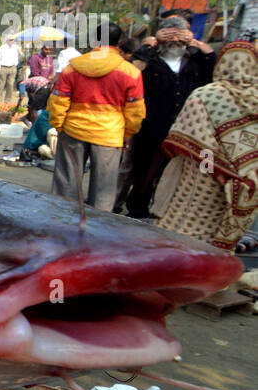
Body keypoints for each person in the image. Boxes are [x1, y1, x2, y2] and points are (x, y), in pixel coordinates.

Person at [154, 41, 258, 249]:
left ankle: (177, 269)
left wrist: (213, 171)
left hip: (204, 171)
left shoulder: (206, 95)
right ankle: (212, 272)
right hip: (243, 180)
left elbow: (195, 141)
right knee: (216, 227)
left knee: (186, 222)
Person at [122, 16, 216, 218]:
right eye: (169, 36)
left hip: (184, 129)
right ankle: (137, 210)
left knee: (175, 174)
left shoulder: (195, 62)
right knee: (144, 172)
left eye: (179, 36)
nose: (175, 41)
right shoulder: (150, 61)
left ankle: (164, 211)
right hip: (152, 128)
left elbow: (212, 64)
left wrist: (195, 42)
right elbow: (131, 73)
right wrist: (148, 47)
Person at [47, 22, 144, 212]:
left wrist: (59, 125)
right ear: (120, 42)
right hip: (109, 135)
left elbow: (58, 100)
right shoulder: (131, 72)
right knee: (103, 192)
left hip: (73, 130)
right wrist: (128, 133)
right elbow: (135, 110)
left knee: (66, 186)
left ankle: (61, 229)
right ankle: (96, 233)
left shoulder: (73, 68)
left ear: (94, 40)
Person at [0, 34, 20, 103]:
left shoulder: (15, 47)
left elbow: (16, 57)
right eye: (10, 40)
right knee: (1, 85)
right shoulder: (2, 47)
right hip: (3, 67)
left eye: (13, 40)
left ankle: (7, 101)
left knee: (11, 85)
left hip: (12, 67)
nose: (12, 41)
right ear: (7, 40)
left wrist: (15, 64)